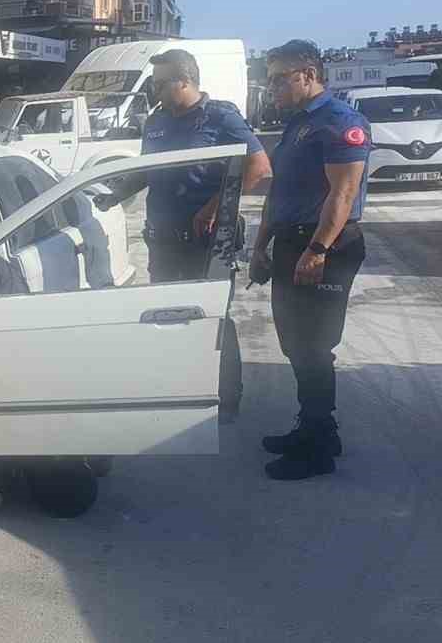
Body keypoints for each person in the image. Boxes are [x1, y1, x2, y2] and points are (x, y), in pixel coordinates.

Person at [94, 48, 271, 419]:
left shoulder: (220, 117)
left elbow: (258, 167)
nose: (154, 91)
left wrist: (213, 207)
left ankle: (225, 399)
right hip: (163, 240)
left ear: (185, 81)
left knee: (211, 318)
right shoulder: (156, 121)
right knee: (168, 317)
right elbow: (145, 171)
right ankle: (180, 389)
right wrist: (111, 196)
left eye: (160, 84)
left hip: (208, 243)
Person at [250, 40, 369, 481]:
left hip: (325, 248)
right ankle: (315, 428)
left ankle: (318, 449)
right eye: (270, 79)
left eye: (281, 78)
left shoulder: (339, 122)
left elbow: (343, 193)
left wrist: (317, 250)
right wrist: (261, 246)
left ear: (309, 73)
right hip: (289, 243)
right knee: (295, 345)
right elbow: (278, 191)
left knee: (314, 347)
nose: (273, 87)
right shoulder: (298, 124)